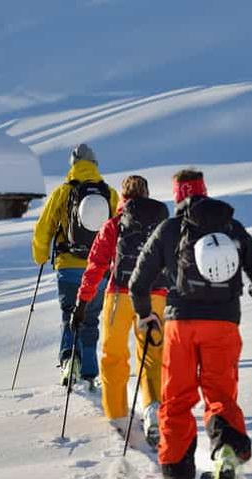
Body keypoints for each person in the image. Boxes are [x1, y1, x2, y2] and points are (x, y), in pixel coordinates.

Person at [128, 169, 252, 479]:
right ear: (204, 190)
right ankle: (226, 452)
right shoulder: (231, 226)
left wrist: (145, 314)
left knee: (177, 396)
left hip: (180, 323)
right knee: (220, 393)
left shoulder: (169, 229)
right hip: (224, 322)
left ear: (178, 195)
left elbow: (138, 280)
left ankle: (178, 469)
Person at [69, 175, 169, 447]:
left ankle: (117, 414)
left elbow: (95, 265)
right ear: (147, 194)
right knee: (151, 355)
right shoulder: (161, 225)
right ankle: (152, 411)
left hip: (120, 295)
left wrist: (82, 303)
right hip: (155, 295)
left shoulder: (114, 224)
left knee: (113, 355)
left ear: (122, 197)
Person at [32, 144, 119, 388]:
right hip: (99, 269)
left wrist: (40, 256)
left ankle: (70, 360)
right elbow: (120, 227)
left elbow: (43, 228)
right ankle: (90, 371)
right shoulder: (110, 194)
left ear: (73, 164)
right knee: (90, 319)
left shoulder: (63, 192)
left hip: (68, 266)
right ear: (95, 163)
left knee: (70, 314)